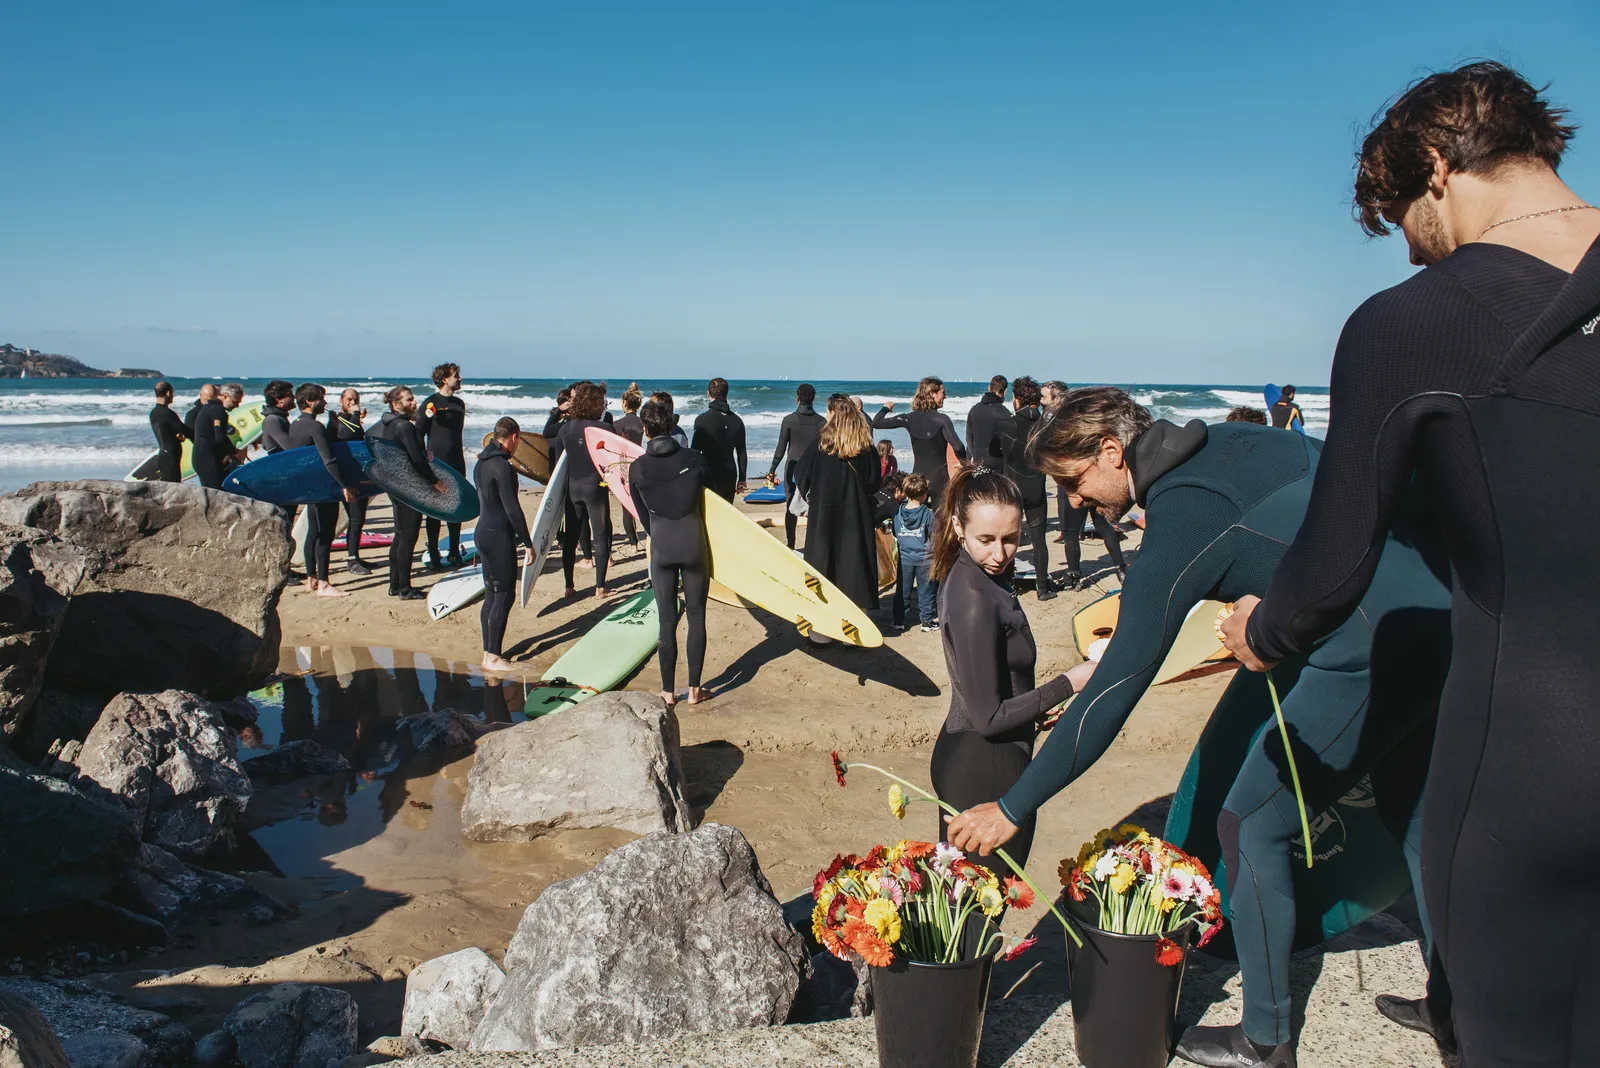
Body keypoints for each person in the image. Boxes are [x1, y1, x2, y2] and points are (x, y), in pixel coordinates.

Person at [1219, 61, 1600, 1066]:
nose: (1411, 251)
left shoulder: (1412, 323)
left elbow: (1333, 562)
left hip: (1537, 758)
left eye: (1400, 220)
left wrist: (1258, 632)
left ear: (1435, 167)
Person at [947, 388, 1453, 1068]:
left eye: (1073, 481)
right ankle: (1457, 1006)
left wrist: (1014, 806)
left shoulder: (1184, 517)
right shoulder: (1227, 442)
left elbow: (1116, 689)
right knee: (1416, 814)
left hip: (1363, 643)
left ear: (1111, 452)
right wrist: (1282, 597)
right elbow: (1342, 496)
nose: (1070, 501)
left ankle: (1265, 1041)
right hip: (1435, 613)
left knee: (1250, 822)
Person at [932, 465, 1085, 869]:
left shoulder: (978, 576)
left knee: (965, 909)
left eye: (1011, 539)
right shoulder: (974, 597)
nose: (999, 554)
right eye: (985, 540)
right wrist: (1069, 682)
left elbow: (998, 685)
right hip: (984, 765)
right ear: (957, 527)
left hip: (976, 754)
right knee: (980, 915)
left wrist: (1035, 708)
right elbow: (989, 717)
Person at [629, 401, 712, 706]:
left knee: (666, 620)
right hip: (693, 543)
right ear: (672, 425)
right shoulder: (695, 458)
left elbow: (642, 516)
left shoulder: (636, 468)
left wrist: (660, 534)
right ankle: (694, 690)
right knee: (697, 614)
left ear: (646, 430)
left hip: (661, 546)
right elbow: (712, 502)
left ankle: (667, 692)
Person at [796, 394, 882, 617]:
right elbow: (874, 481)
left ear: (833, 413)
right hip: (857, 513)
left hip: (824, 512)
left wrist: (812, 496)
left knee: (823, 564)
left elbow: (801, 474)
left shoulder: (821, 444)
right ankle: (854, 623)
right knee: (855, 565)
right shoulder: (866, 446)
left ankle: (822, 631)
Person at [1041, 379, 1127, 584]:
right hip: (1093, 479)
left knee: (1070, 532)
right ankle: (1121, 568)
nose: (1041, 402)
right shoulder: (1084, 416)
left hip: (1072, 483)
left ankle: (1074, 575)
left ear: (1057, 398)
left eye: (1044, 397)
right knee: (1104, 526)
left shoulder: (1053, 421)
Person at [474, 417, 535, 673]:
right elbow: (512, 509)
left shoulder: (480, 463)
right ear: (513, 436)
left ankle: (489, 653)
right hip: (499, 535)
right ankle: (494, 657)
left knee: (491, 593)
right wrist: (528, 543)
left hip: (482, 532)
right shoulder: (503, 467)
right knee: (504, 594)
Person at [369, 386, 441, 601]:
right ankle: (405, 588)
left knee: (400, 536)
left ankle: (395, 584)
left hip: (395, 486)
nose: (414, 403)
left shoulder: (386, 424)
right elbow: (416, 461)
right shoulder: (404, 426)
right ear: (396, 404)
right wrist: (434, 481)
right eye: (409, 400)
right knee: (407, 538)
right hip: (408, 487)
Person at [989, 376, 1056, 600]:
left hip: (1013, 489)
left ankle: (1007, 585)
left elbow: (993, 451)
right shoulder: (1045, 424)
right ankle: (1043, 588)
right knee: (1039, 540)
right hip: (1037, 488)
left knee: (1008, 538)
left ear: (1016, 398)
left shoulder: (1006, 424)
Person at [288, 383, 357, 597]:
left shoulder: (296, 424)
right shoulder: (314, 427)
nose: (325, 402)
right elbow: (329, 459)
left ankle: (312, 579)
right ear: (310, 402)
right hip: (324, 486)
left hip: (309, 486)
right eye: (321, 398)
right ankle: (325, 584)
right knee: (325, 535)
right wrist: (344, 485)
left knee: (312, 532)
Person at [550, 381, 615, 598]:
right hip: (595, 488)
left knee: (571, 537)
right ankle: (600, 587)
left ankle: (569, 586)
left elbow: (559, 464)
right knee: (601, 535)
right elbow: (613, 462)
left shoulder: (565, 428)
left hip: (573, 488)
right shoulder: (604, 428)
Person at [871, 376, 965, 509]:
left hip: (917, 478)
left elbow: (876, 423)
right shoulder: (942, 420)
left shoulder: (908, 418)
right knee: (940, 520)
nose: (946, 396)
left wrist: (885, 408)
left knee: (917, 517)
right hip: (940, 479)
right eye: (943, 393)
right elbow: (959, 446)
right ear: (932, 393)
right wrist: (963, 463)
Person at [417, 362, 467, 571]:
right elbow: (418, 434)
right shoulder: (429, 404)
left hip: (457, 460)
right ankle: (434, 552)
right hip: (436, 463)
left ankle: (454, 552)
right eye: (456, 375)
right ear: (445, 379)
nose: (460, 378)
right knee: (435, 509)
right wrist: (423, 457)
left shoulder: (459, 404)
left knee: (455, 506)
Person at [767, 384, 825, 549]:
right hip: (814, 471)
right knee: (813, 507)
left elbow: (780, 449)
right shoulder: (822, 422)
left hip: (793, 470)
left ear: (797, 398)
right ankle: (811, 545)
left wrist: (772, 470)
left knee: (790, 507)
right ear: (813, 398)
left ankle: (791, 544)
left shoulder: (789, 420)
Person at [328, 388, 372, 576]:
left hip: (358, 475)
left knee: (359, 518)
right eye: (349, 399)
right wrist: (355, 413)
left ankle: (356, 555)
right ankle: (351, 559)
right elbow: (347, 434)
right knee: (354, 518)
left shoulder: (353, 420)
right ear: (341, 402)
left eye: (356, 399)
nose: (353, 402)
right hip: (345, 478)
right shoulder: (335, 419)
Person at [691, 377, 748, 501]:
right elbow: (741, 452)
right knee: (725, 514)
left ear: (708, 393)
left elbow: (694, 452)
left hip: (708, 473)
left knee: (708, 515)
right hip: (729, 474)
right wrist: (742, 478)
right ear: (727, 393)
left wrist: (692, 477)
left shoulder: (702, 420)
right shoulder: (737, 421)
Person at [892, 473, 935, 632]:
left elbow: (896, 533)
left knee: (902, 590)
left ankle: (898, 620)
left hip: (905, 557)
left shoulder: (898, 512)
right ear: (924, 494)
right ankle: (927, 621)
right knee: (925, 591)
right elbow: (934, 534)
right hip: (925, 558)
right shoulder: (928, 514)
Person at [613, 385, 646, 550]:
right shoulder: (644, 423)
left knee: (627, 506)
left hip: (626, 467)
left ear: (625, 403)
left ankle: (633, 544)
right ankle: (649, 535)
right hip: (644, 465)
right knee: (645, 504)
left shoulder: (618, 424)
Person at [148, 381, 189, 483]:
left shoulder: (153, 413)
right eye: (172, 393)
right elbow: (187, 431)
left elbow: (165, 432)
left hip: (162, 455)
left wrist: (178, 436)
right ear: (168, 393)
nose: (173, 396)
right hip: (171, 458)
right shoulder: (168, 414)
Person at [965, 375, 1010, 459]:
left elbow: (969, 439)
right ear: (1005, 391)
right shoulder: (1005, 413)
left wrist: (975, 457)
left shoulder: (974, 410)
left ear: (989, 387)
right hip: (998, 465)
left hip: (978, 464)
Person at [260, 380, 296, 454]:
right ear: (279, 400)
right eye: (290, 395)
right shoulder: (272, 420)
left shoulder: (279, 417)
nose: (294, 397)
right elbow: (291, 448)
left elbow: (264, 445)